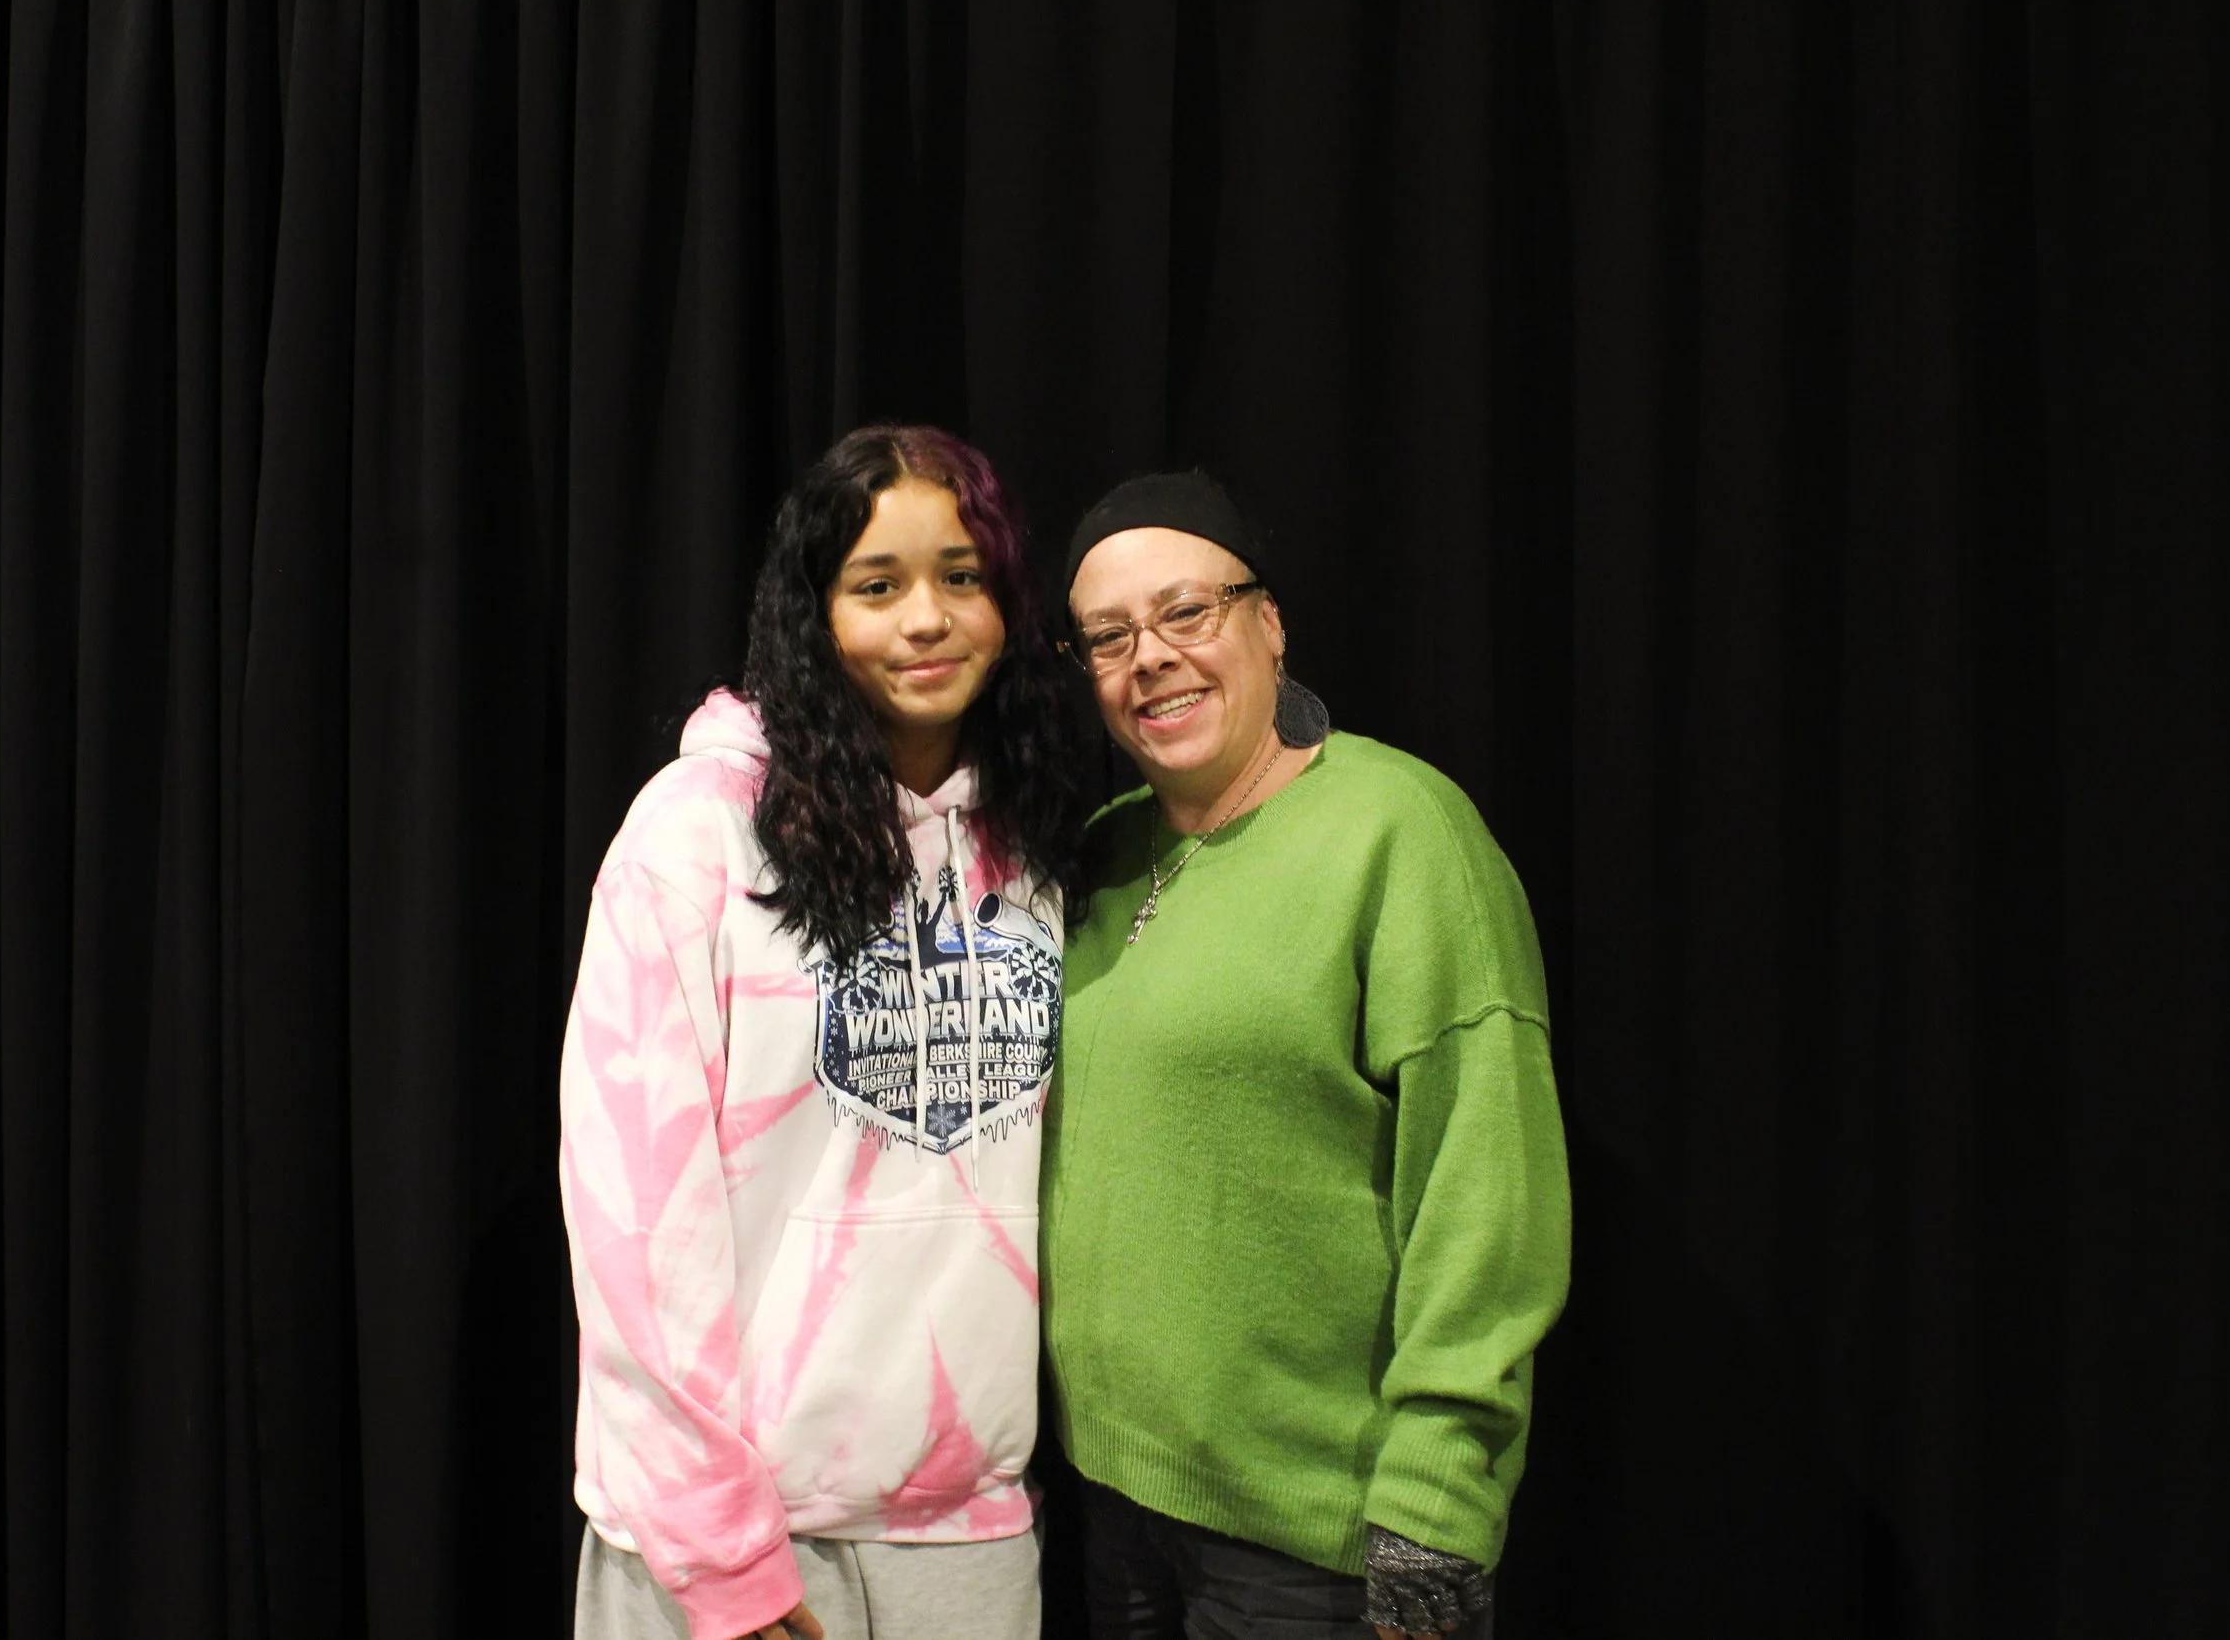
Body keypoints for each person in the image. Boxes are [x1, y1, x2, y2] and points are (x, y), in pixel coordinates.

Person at [560, 427, 1089, 1640]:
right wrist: (719, 1555)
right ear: (815, 611)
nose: (927, 618)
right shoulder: (698, 834)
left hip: (967, 1533)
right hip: (722, 1539)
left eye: (962, 576)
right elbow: (634, 1217)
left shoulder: (1033, 846)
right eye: (877, 583)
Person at [1041, 472, 1571, 1640]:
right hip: (1112, 1502)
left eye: (1187, 611)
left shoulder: (1401, 829)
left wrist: (1439, 1491)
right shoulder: (1099, 853)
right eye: (1109, 636)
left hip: (1314, 1536)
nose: (1151, 657)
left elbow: (1487, 1181)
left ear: (1269, 623)